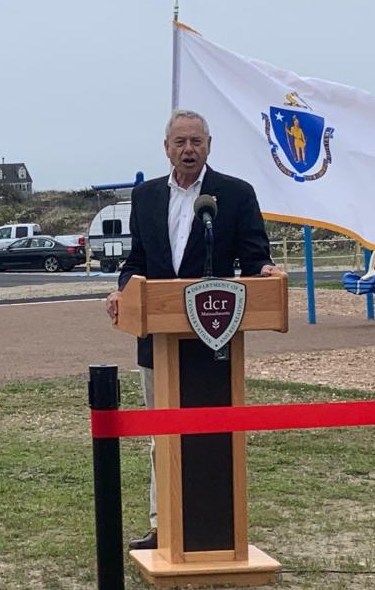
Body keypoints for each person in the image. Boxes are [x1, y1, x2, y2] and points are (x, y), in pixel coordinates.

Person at [105, 110, 281, 550]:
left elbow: (255, 253)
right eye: (180, 142)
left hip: (215, 340)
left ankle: (214, 528)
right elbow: (137, 264)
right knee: (161, 435)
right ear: (166, 148)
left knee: (211, 433)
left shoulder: (235, 195)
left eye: (196, 142)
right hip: (158, 339)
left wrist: (266, 270)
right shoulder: (145, 198)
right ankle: (162, 526)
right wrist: (123, 291)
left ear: (209, 145)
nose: (188, 149)